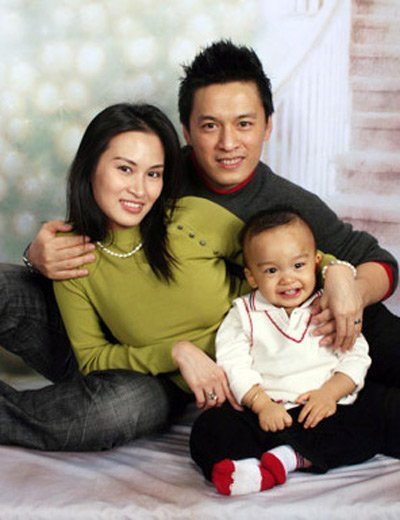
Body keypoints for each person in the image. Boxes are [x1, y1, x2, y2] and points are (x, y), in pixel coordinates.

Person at [0, 40, 399, 447]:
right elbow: (91, 350)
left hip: (209, 360)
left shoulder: (213, 212)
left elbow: (359, 260)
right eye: (210, 126)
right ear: (187, 132)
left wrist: (339, 276)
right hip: (117, 346)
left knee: (376, 342)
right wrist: (36, 256)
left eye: (244, 124)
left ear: (267, 126)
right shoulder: (150, 180)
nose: (228, 143)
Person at [0, 102, 245, 450]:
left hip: (162, 386)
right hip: (127, 360)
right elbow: (91, 359)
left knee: (112, 411)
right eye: (125, 169)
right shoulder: (72, 250)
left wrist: (327, 272)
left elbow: (286, 254)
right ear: (91, 167)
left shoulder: (191, 220)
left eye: (153, 174)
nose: (140, 190)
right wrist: (175, 351)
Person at [190, 207, 390, 495]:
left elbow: (356, 356)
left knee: (370, 422)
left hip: (323, 410)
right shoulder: (244, 313)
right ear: (252, 277)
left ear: (316, 263)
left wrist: (329, 394)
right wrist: (261, 404)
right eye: (271, 270)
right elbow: (233, 364)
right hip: (267, 412)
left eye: (298, 266)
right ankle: (248, 470)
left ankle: (289, 458)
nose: (287, 279)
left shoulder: (328, 306)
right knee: (209, 428)